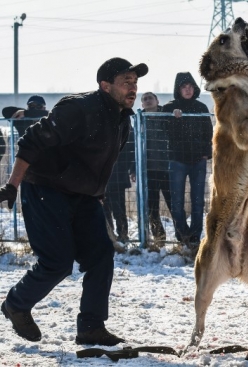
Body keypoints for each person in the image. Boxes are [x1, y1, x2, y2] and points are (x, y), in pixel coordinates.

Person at [0, 57, 148, 345]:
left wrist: (98, 194)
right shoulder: (78, 109)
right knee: (57, 262)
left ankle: (91, 327)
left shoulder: (122, 120)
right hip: (46, 189)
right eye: (126, 82)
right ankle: (16, 304)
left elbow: (98, 162)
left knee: (101, 256)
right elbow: (31, 141)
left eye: (135, 82)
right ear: (105, 86)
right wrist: (11, 185)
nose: (133, 88)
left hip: (84, 198)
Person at [162, 72, 213, 249]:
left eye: (190, 86)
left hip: (198, 159)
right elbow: (165, 131)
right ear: (178, 89)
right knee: (177, 201)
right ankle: (182, 234)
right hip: (177, 160)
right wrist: (173, 118)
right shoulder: (169, 107)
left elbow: (209, 132)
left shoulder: (201, 108)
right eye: (184, 87)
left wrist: (207, 153)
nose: (188, 89)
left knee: (198, 200)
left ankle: (195, 237)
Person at [141, 92, 172, 247]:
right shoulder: (139, 119)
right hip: (149, 170)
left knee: (174, 204)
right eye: (144, 99)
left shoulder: (166, 115)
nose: (147, 101)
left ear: (157, 101)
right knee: (152, 206)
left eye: (150, 98)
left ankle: (183, 237)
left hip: (167, 168)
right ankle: (159, 238)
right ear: (142, 104)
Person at [103, 129, 135, 245]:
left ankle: (122, 236)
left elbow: (131, 151)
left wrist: (127, 168)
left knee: (118, 209)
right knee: (105, 211)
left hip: (116, 175)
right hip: (102, 178)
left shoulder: (124, 127)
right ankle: (109, 236)